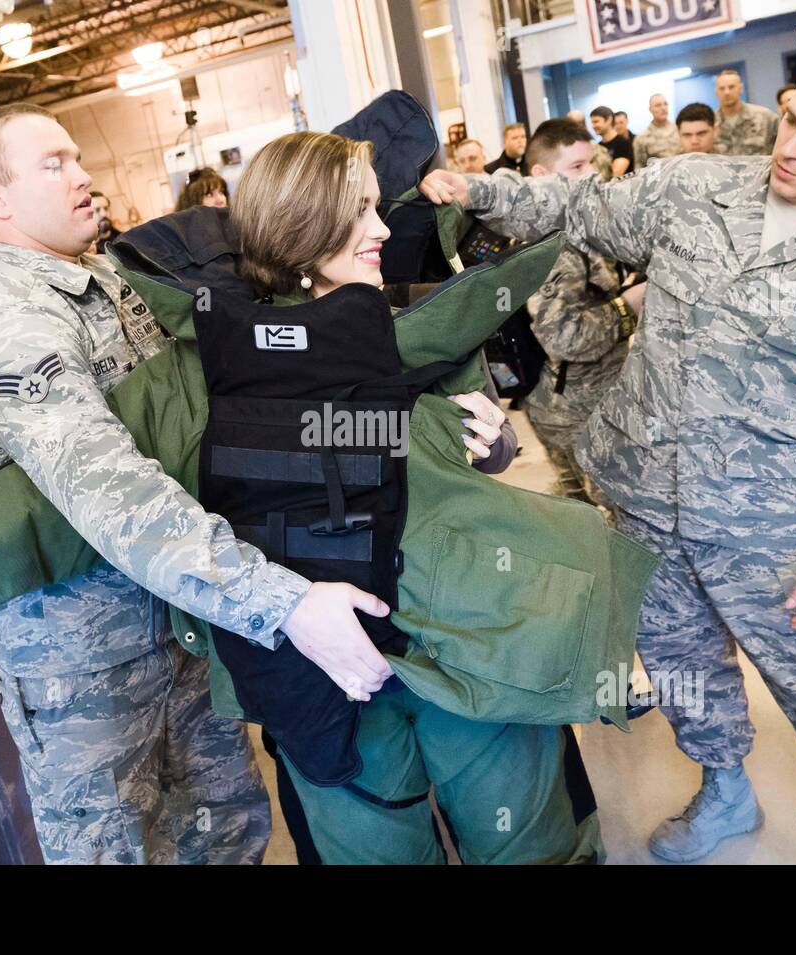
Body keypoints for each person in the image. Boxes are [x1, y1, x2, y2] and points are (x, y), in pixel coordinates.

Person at [421, 44, 796, 864]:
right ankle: (725, 789)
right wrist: (478, 187)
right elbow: (579, 208)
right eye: (793, 118)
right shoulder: (694, 187)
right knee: (679, 667)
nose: (792, 147)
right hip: (640, 499)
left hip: (769, 526)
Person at [0, 104, 397, 865]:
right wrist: (284, 602)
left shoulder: (113, 281)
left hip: (182, 622)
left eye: (78, 157)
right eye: (54, 164)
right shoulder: (18, 327)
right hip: (86, 672)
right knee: (117, 852)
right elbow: (116, 495)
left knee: (229, 829)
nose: (84, 175)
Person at [231, 130, 601, 865]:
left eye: (376, 208)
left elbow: (488, 448)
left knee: (525, 831)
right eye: (358, 213)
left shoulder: (422, 309)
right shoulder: (232, 355)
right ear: (300, 227)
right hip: (331, 663)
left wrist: (493, 440)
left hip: (463, 629)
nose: (379, 231)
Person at [519, 119, 644, 503]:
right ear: (541, 176)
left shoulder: (572, 223)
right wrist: (630, 305)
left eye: (590, 163)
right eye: (576, 168)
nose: (590, 175)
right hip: (575, 411)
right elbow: (565, 336)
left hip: (580, 402)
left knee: (583, 511)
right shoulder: (552, 243)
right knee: (609, 519)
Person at [714, 68, 779, 155]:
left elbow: (783, 146)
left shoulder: (766, 117)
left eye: (731, 87)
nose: (727, 92)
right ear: (716, 92)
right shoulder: (711, 123)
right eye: (722, 88)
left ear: (741, 88)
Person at [634, 93, 681, 170]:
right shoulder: (641, 138)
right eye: (658, 105)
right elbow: (639, 168)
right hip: (660, 179)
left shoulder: (680, 130)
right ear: (650, 109)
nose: (663, 108)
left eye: (665, 104)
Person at [590, 105, 633, 177]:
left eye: (596, 121)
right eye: (592, 122)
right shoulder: (598, 146)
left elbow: (615, 175)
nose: (593, 126)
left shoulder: (623, 143)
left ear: (609, 120)